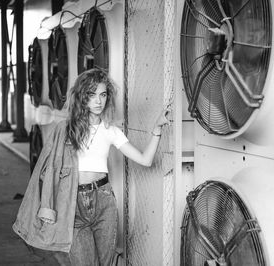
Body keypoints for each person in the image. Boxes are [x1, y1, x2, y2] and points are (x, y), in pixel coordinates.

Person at [13, 68, 170, 265]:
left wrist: (157, 129)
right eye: (92, 94)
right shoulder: (66, 129)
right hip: (72, 203)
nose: (98, 101)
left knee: (105, 262)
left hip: (104, 200)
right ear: (82, 96)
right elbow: (49, 169)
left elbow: (146, 160)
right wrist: (47, 205)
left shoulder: (111, 131)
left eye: (103, 95)